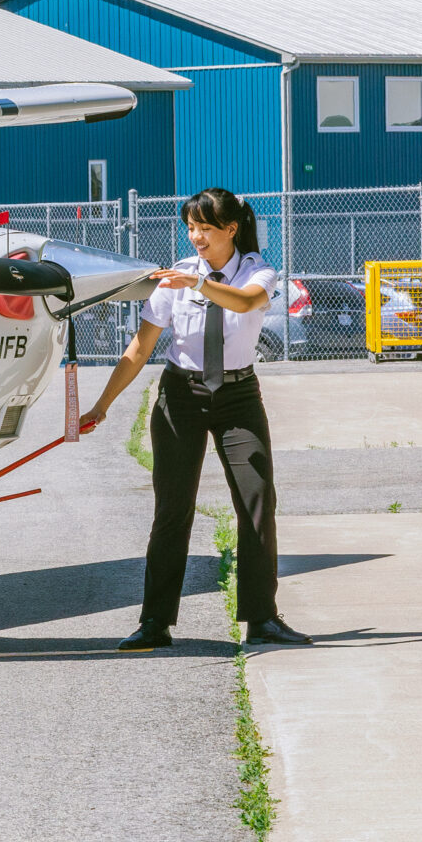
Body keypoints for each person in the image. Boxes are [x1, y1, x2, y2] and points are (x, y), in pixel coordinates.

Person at [77, 186, 312, 651]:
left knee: (257, 500)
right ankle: (155, 623)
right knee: (172, 510)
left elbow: (245, 304)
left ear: (230, 229)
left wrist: (201, 285)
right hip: (181, 394)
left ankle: (262, 618)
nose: (196, 237)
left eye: (205, 228)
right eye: (190, 228)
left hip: (238, 396)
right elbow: (140, 348)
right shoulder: (177, 277)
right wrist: (102, 404)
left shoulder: (259, 272)